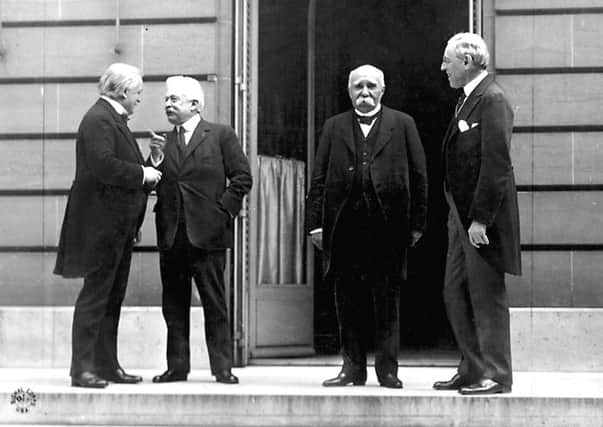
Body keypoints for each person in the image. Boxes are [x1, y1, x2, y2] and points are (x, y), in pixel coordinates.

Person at [306, 64, 428, 389]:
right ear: (349, 92)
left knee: (386, 301)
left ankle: (388, 370)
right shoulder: (334, 126)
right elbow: (318, 178)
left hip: (387, 228)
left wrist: (416, 224)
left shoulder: (403, 124)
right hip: (344, 228)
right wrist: (315, 225)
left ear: (382, 90)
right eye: (358, 87)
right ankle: (352, 369)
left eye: (371, 86)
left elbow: (419, 177)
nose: (365, 92)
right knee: (347, 300)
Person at [54, 63, 163, 388]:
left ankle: (104, 365)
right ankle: (83, 370)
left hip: (114, 227)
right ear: (124, 91)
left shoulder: (108, 119)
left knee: (110, 298)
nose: (140, 99)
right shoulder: (100, 119)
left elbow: (116, 168)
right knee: (97, 296)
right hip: (102, 227)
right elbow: (104, 166)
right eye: (139, 93)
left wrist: (150, 162)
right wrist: (143, 174)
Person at [148, 76, 252, 384]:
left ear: (195, 105)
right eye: (166, 99)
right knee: (173, 306)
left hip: (208, 236)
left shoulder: (220, 135)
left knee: (214, 303)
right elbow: (152, 180)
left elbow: (242, 177)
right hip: (172, 236)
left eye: (174, 100)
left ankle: (222, 368)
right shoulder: (163, 142)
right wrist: (154, 159)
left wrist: (223, 213)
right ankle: (177, 367)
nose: (168, 104)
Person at [434, 33, 521, 395]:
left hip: (481, 221)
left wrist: (481, 220)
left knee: (486, 295)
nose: (443, 68)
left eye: (447, 61)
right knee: (454, 292)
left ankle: (497, 374)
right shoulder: (467, 100)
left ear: (467, 62)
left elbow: (496, 163)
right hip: (461, 215)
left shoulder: (492, 99)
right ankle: (472, 367)